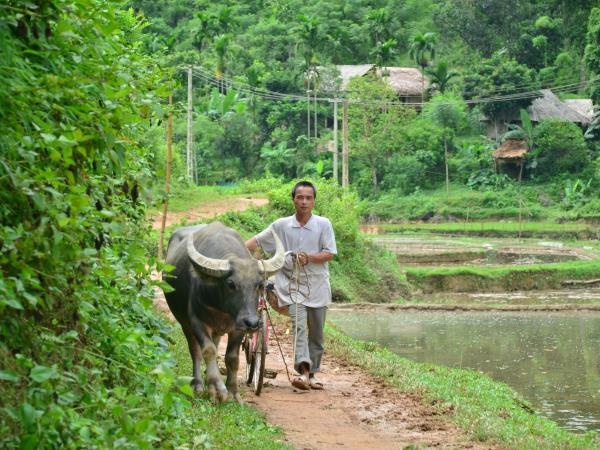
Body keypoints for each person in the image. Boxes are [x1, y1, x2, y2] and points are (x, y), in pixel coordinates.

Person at [246, 181, 337, 391]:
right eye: (300, 197)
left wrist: (310, 258)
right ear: (293, 199)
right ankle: (303, 373)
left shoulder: (323, 224)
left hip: (317, 285)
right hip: (290, 286)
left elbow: (329, 253)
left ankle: (312, 374)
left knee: (317, 332)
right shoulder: (281, 225)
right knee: (299, 326)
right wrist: (235, 253)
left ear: (313, 201)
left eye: (308, 198)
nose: (304, 202)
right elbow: (257, 242)